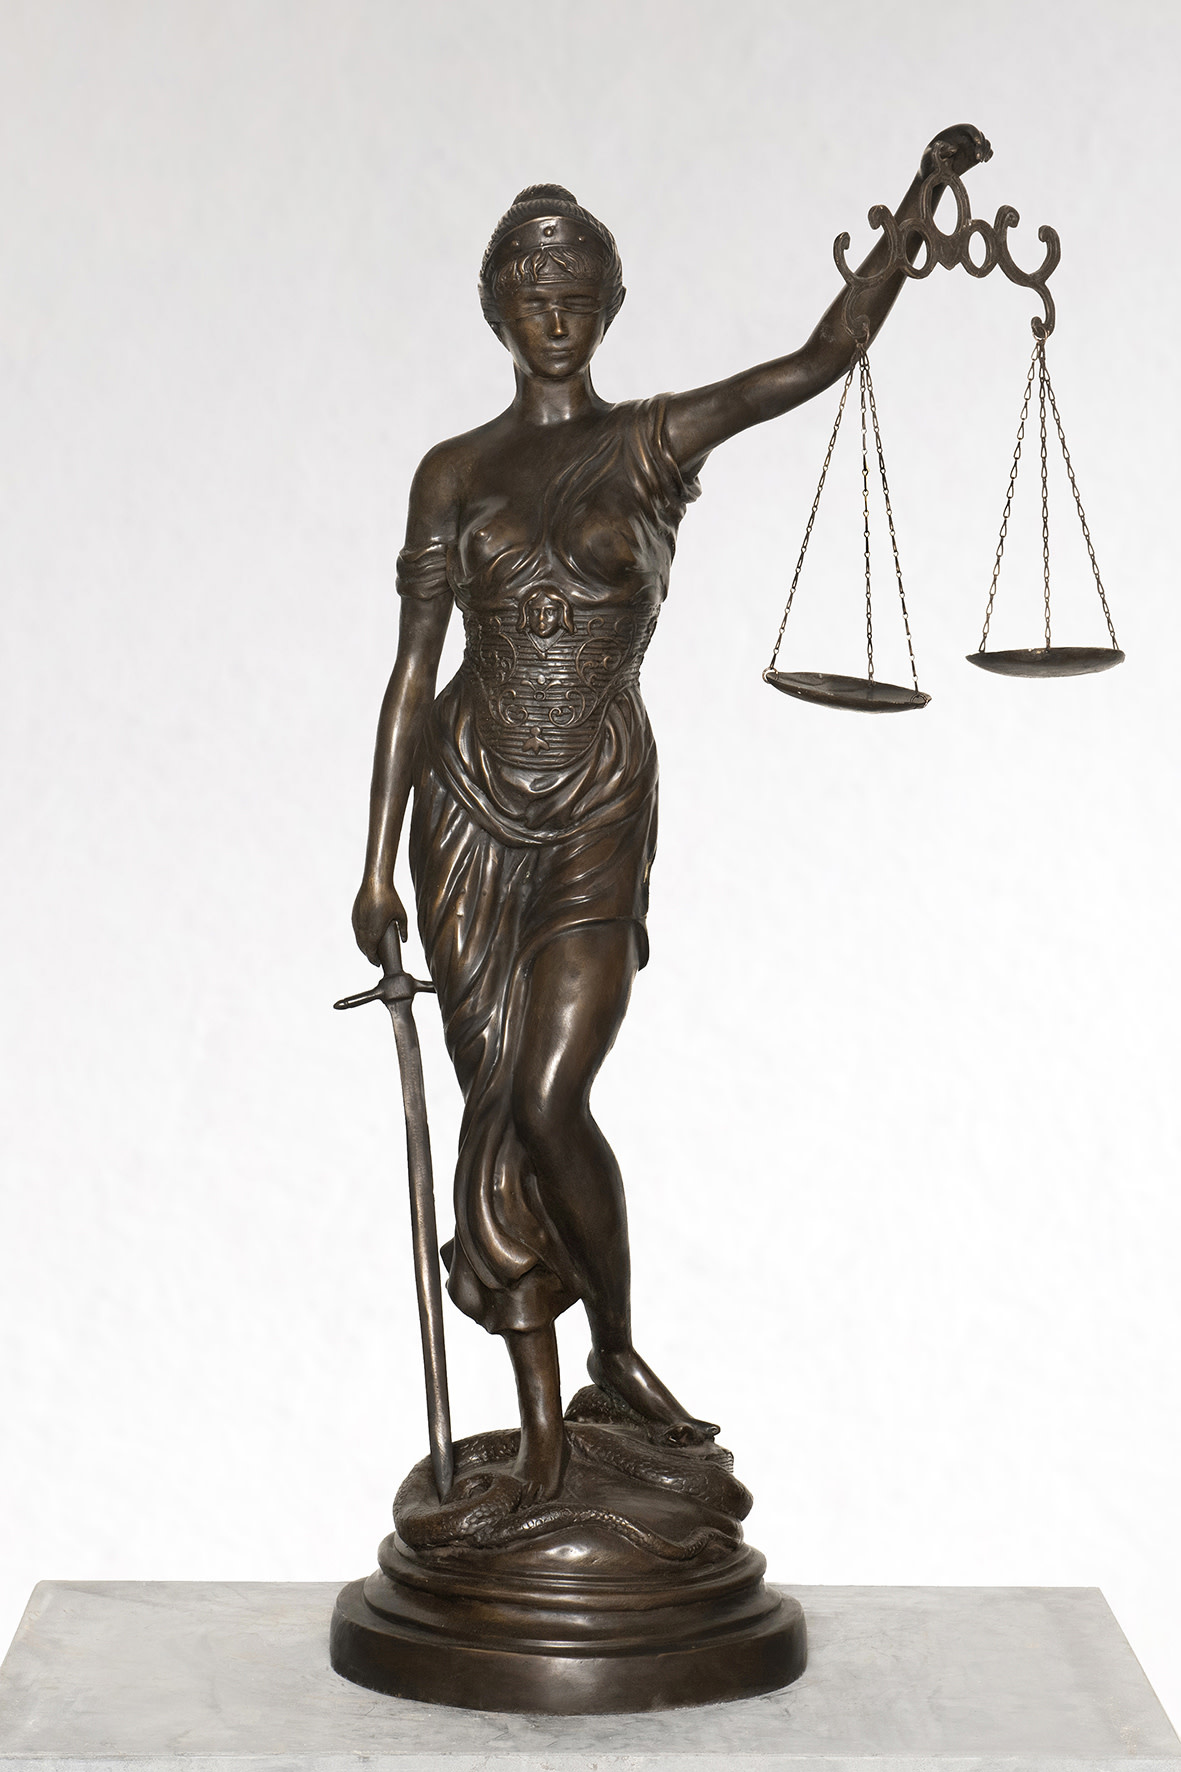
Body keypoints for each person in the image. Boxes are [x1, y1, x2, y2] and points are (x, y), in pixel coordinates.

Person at [352, 129, 989, 1503]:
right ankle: (540, 1435)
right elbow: (410, 673)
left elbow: (816, 361)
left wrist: (920, 205)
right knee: (493, 1117)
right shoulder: (450, 473)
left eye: (578, 290)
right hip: (463, 813)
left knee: (548, 1091)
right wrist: (372, 866)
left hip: (595, 801)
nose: (555, 311)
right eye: (532, 292)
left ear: (612, 304)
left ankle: (618, 1352)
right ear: (496, 308)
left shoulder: (649, 441)